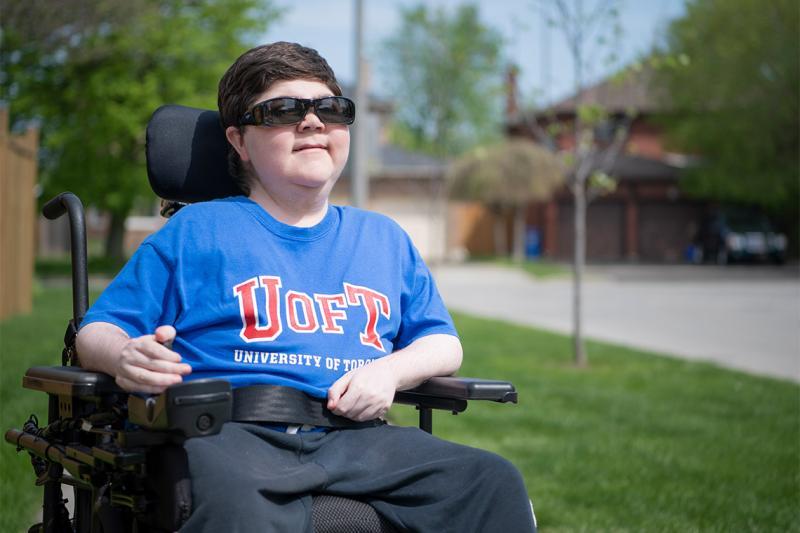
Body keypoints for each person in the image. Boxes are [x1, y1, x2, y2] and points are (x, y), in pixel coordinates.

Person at [76, 41, 537, 533]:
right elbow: (96, 331)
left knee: (492, 482)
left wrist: (390, 372)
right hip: (232, 433)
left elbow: (443, 343)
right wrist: (126, 356)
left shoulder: (382, 238)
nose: (313, 122)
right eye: (283, 110)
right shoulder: (196, 233)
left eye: (331, 109)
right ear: (238, 141)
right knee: (238, 515)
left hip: (358, 437)